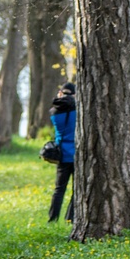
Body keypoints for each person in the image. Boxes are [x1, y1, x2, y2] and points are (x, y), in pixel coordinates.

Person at [48, 82, 76, 223]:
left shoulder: (54, 111)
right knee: (77, 190)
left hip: (62, 154)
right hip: (77, 155)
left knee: (59, 189)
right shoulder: (77, 111)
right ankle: (70, 218)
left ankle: (52, 218)